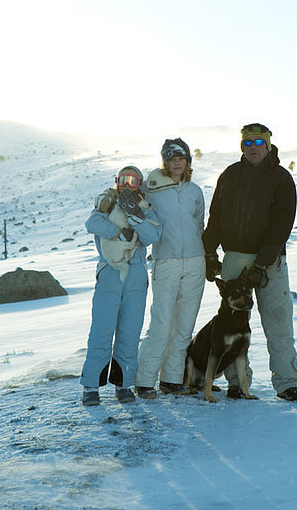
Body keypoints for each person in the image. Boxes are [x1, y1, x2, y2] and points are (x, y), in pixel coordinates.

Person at [202, 124, 297, 402]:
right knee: (232, 325)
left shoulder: (281, 178)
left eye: (259, 141)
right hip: (234, 258)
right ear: (241, 146)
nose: (253, 147)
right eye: (248, 142)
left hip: (269, 261)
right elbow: (216, 218)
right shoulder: (230, 175)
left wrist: (262, 264)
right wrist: (210, 254)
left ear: (268, 145)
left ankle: (287, 383)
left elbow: (282, 225)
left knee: (278, 322)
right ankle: (237, 382)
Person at [80, 166, 162, 406]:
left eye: (134, 180)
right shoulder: (107, 201)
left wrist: (136, 217)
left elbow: (152, 236)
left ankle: (124, 383)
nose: (128, 184)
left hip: (136, 274)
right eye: (123, 179)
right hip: (110, 271)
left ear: (139, 183)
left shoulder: (144, 207)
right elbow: (92, 223)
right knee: (102, 328)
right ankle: (91, 386)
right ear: (117, 181)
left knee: (130, 329)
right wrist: (119, 232)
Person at [135, 138, 206, 399]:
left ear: (188, 161)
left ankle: (172, 379)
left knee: (185, 325)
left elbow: (199, 222)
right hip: (165, 260)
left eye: (182, 157)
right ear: (165, 162)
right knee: (162, 323)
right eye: (172, 158)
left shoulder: (194, 191)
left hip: (195, 261)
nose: (177, 162)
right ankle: (144, 380)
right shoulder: (151, 188)